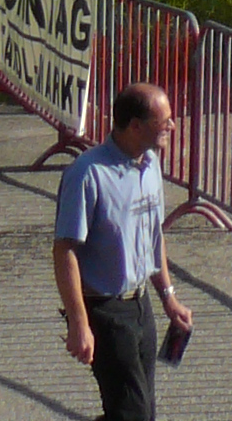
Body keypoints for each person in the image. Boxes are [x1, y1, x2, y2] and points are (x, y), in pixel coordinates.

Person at [53, 82, 192, 421]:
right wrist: (79, 323)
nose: (172, 126)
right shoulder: (87, 174)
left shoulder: (150, 164)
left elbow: (153, 236)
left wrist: (168, 297)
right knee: (132, 414)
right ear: (135, 126)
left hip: (140, 305)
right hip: (105, 310)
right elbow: (64, 251)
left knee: (140, 411)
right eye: (164, 121)